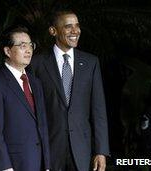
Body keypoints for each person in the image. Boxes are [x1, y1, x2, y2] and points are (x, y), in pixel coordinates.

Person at [29, 9, 110, 171]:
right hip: (49, 150)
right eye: (68, 26)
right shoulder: (36, 63)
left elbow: (98, 109)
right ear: (53, 31)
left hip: (82, 150)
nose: (75, 31)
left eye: (77, 26)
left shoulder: (90, 63)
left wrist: (101, 151)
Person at [0, 25, 50, 171]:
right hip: (14, 164)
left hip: (40, 162)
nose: (28, 50)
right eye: (22, 46)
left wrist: (47, 163)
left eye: (30, 45)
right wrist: (5, 166)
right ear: (8, 51)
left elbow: (43, 125)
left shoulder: (35, 82)